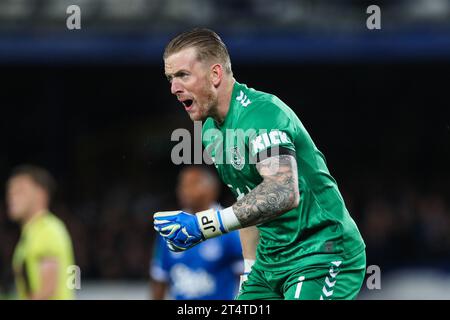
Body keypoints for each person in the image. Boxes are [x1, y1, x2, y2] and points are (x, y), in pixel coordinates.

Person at [154, 28, 366, 300]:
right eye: (170, 78)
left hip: (320, 253)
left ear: (215, 74)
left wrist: (203, 225)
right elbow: (249, 201)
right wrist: (249, 272)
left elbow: (282, 191)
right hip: (269, 264)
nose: (173, 88)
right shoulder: (210, 131)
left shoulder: (263, 114)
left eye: (183, 75)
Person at [150, 166, 242, 300]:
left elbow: (244, 276)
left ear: (212, 190)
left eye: (192, 184)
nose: (183, 190)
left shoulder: (228, 226)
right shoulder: (170, 227)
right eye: (182, 185)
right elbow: (159, 277)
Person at [6, 165, 75, 300]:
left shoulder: (46, 230)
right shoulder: (33, 232)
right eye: (10, 191)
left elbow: (47, 291)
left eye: (20, 191)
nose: (12, 197)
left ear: (40, 194)